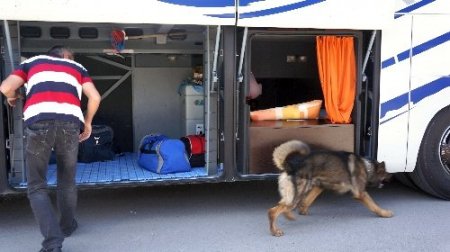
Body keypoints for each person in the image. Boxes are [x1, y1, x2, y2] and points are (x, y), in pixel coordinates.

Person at [0, 46, 101, 252]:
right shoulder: (77, 67)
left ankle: (53, 243)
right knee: (67, 180)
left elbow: (5, 87)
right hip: (70, 124)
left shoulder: (32, 62)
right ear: (65, 56)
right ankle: (66, 226)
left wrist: (12, 96)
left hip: (39, 122)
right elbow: (95, 97)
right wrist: (88, 123)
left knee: (37, 185)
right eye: (70, 56)